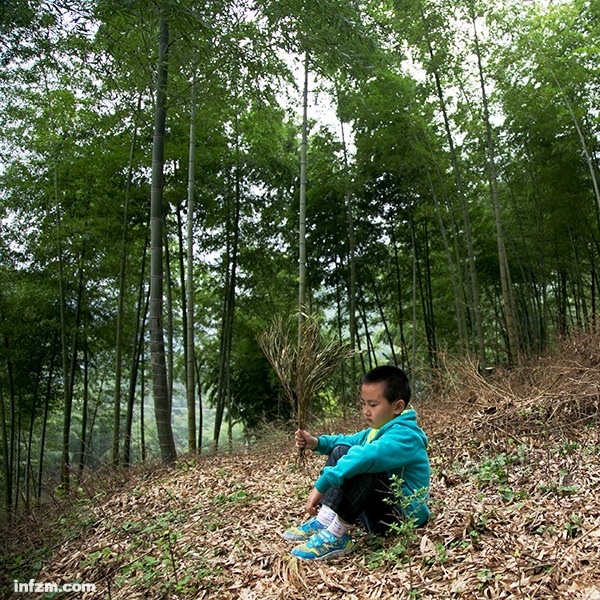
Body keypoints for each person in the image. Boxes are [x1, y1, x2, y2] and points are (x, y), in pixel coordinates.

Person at [282, 365, 430, 560]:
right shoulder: (378, 430)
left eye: (373, 405)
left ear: (397, 407)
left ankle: (336, 536)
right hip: (381, 509)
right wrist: (316, 443)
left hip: (402, 518)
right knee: (342, 450)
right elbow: (345, 442)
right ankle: (325, 521)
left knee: (364, 465)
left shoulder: (405, 435)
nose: (366, 411)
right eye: (363, 404)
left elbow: (367, 457)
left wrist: (322, 485)